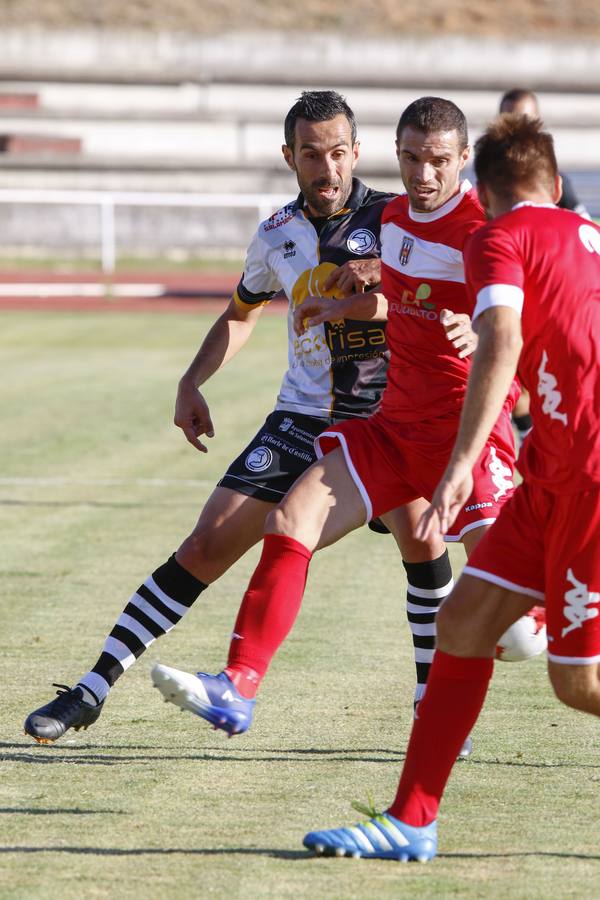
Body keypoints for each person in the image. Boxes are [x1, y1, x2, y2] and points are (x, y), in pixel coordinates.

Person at [24, 90, 464, 744]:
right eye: (311, 153)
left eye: (339, 152)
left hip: (385, 418)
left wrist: (358, 305)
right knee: (205, 546)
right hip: (300, 417)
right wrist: (192, 380)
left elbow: (419, 305)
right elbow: (240, 313)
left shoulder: (397, 219)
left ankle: (434, 703)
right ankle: (92, 688)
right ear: (289, 156)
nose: (327, 167)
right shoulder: (275, 235)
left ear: (358, 153)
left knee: (423, 544)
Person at [152, 98, 545, 740]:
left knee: (513, 614)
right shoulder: (390, 218)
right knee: (291, 519)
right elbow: (397, 296)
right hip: (390, 427)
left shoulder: (485, 229)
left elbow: (534, 312)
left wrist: (486, 330)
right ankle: (237, 688)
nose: (423, 175)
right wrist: (345, 305)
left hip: (464, 433)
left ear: (465, 160)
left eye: (438, 161)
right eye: (412, 159)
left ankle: (533, 635)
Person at [301, 113, 600, 862]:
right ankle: (411, 820)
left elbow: (499, 342)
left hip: (587, 479)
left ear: (486, 193)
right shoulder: (584, 233)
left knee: (577, 683)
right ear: (557, 187)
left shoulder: (499, 236)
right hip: (549, 473)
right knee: (464, 625)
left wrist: (461, 464)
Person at [499, 88, 592, 448]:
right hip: (511, 288)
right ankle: (535, 441)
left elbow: (586, 233)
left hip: (548, 296)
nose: (516, 125)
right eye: (509, 117)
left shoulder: (554, 182)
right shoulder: (487, 175)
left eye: (524, 118)